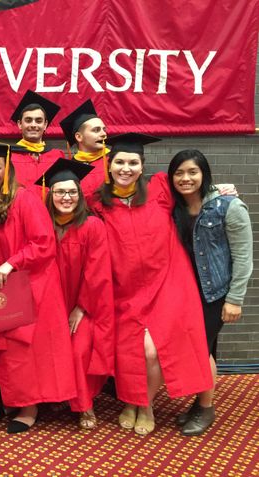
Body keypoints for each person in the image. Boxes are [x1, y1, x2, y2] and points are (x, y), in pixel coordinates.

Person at [88, 134, 213, 436]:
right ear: (109, 164)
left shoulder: (159, 188)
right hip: (125, 287)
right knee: (130, 349)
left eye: (133, 162)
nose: (126, 168)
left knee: (151, 351)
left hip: (167, 282)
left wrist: (220, 192)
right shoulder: (98, 201)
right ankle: (131, 402)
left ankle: (145, 405)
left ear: (142, 166)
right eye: (119, 162)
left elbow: (193, 191)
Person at [0, 143, 76, 434]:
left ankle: (29, 407)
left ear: (8, 170)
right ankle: (12, 398)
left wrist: (11, 263)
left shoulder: (24, 198)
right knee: (7, 347)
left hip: (34, 283)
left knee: (26, 349)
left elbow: (44, 243)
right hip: (7, 285)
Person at [168, 150, 253, 436]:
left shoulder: (229, 206)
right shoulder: (174, 208)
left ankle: (206, 408)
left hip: (214, 294)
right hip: (185, 292)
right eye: (179, 173)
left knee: (199, 350)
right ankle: (198, 402)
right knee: (206, 348)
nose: (185, 178)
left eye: (192, 172)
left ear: (204, 174)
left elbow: (243, 257)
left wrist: (234, 300)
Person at [38, 158, 115, 430]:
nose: (66, 197)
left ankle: (85, 405)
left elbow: (98, 272)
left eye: (72, 192)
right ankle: (57, 396)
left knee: (78, 349)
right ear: (50, 194)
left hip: (82, 305)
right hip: (47, 305)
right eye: (60, 192)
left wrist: (80, 308)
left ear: (80, 195)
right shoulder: (42, 224)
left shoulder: (92, 226)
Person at [8, 90, 63, 196]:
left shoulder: (57, 156)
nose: (33, 125)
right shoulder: (9, 156)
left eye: (38, 121)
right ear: (20, 124)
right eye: (28, 120)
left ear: (45, 125)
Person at [59, 99, 109, 197]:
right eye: (96, 130)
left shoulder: (113, 161)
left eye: (104, 129)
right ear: (79, 137)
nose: (104, 134)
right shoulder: (70, 168)